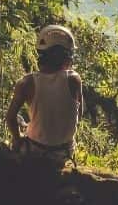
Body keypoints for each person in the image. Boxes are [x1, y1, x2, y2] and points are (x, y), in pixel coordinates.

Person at [6, 25, 83, 165]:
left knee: (17, 123)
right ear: (67, 58)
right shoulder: (74, 80)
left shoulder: (25, 83)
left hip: (34, 151)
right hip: (63, 153)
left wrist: (18, 139)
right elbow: (79, 115)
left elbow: (10, 118)